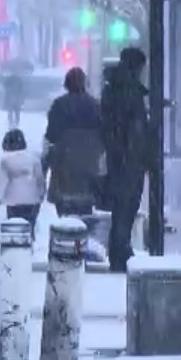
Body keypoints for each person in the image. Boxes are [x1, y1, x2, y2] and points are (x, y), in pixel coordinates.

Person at [100, 47, 149, 273]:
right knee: (126, 207)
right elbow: (136, 132)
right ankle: (120, 251)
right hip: (129, 161)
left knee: (122, 208)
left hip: (118, 159)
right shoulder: (130, 93)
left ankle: (118, 250)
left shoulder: (112, 89)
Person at [43, 67, 102, 218]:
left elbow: (51, 135)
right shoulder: (95, 105)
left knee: (64, 212)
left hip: (64, 164)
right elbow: (104, 133)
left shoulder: (59, 105)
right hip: (88, 164)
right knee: (85, 210)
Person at [0, 128, 45, 240]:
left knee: (15, 229)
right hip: (32, 199)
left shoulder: (6, 161)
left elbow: (2, 181)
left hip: (13, 201)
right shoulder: (34, 158)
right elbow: (39, 178)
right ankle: (30, 243)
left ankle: (16, 248)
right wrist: (41, 193)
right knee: (29, 226)